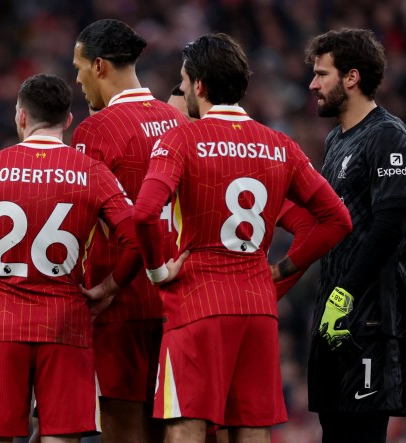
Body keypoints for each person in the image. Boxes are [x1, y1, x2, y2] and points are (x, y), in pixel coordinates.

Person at [0, 73, 161, 443]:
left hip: (0, 321)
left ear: (21, 117)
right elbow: (137, 239)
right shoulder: (93, 173)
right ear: (69, 120)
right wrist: (107, 289)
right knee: (60, 436)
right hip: (67, 321)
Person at [132, 33, 352, 443]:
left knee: (185, 426)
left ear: (199, 85)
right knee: (252, 428)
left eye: (183, 82)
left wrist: (159, 270)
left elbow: (144, 213)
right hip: (257, 307)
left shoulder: (181, 138)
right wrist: (283, 269)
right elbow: (337, 219)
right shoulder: (280, 145)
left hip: (196, 302)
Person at [71, 19, 189, 442]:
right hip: (176, 301)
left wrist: (104, 287)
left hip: (118, 306)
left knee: (123, 432)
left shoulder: (93, 132)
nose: (78, 78)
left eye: (80, 66)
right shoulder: (178, 122)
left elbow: (80, 225)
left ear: (99, 66)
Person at [305, 28, 406, 443]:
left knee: (361, 434)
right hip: (333, 315)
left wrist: (344, 293)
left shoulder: (388, 135)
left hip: (368, 317)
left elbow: (391, 223)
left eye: (321, 74)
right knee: (334, 431)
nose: (313, 84)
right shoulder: (335, 140)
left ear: (351, 77)